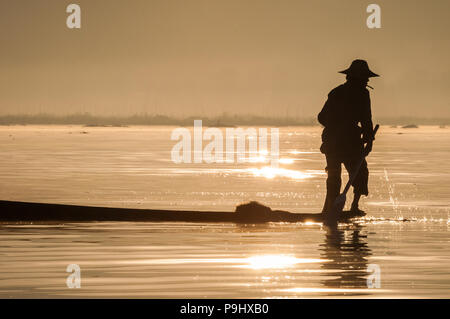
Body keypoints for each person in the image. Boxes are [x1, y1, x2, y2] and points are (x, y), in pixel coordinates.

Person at [318, 59, 379, 214]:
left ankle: (352, 206)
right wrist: (340, 126)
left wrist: (369, 139)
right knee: (335, 177)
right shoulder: (338, 93)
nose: (367, 80)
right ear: (355, 78)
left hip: (349, 142)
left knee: (359, 173)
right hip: (336, 142)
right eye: (365, 78)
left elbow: (366, 119)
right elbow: (322, 117)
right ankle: (330, 209)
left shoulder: (359, 94)